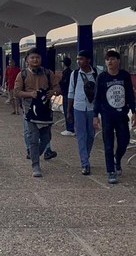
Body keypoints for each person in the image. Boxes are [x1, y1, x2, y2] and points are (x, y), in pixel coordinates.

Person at [93, 49, 136, 184]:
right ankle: (111, 171)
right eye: (107, 59)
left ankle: (117, 159)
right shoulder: (102, 77)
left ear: (118, 61)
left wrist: (134, 112)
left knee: (124, 141)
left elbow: (129, 94)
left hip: (122, 114)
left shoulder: (124, 76)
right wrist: (95, 115)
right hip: (107, 115)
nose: (110, 62)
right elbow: (97, 97)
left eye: (112, 59)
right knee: (108, 143)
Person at [14, 48, 60, 177]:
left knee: (46, 137)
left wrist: (53, 92)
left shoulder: (48, 73)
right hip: (30, 110)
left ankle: (35, 154)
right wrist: (30, 94)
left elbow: (58, 87)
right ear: (27, 60)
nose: (35, 60)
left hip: (45, 110)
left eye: (37, 58)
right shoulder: (22, 74)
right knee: (33, 138)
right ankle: (35, 165)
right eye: (32, 57)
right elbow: (16, 92)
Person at [66, 50, 98, 175]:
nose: (79, 61)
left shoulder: (97, 74)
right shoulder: (74, 74)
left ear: (88, 60)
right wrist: (69, 111)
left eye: (81, 59)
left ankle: (86, 155)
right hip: (78, 108)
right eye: (78, 59)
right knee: (81, 135)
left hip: (92, 109)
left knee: (90, 135)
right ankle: (84, 162)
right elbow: (71, 92)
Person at [59, 57, 75, 136]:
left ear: (64, 63)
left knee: (67, 111)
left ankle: (69, 128)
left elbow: (64, 84)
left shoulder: (65, 73)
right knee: (71, 110)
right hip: (71, 94)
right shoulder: (72, 72)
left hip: (66, 94)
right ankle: (72, 128)